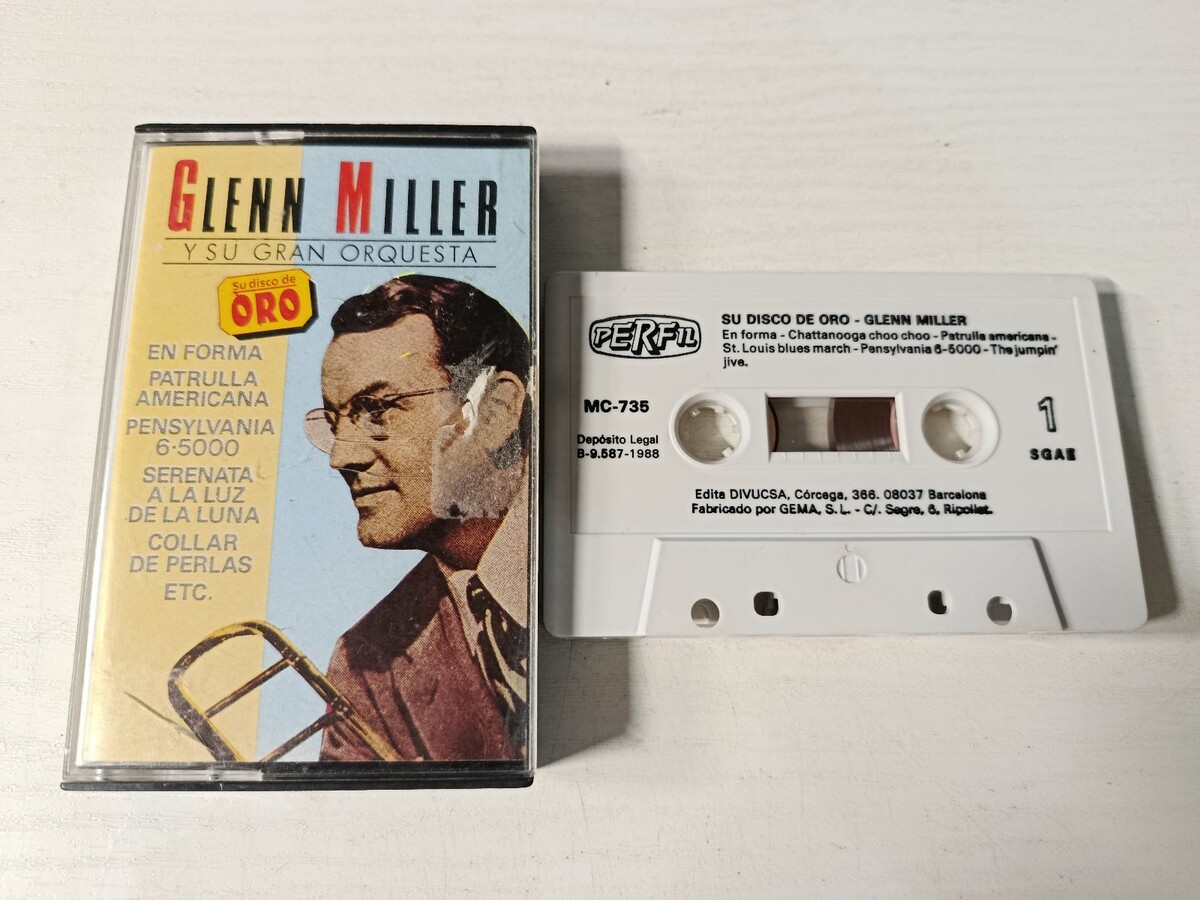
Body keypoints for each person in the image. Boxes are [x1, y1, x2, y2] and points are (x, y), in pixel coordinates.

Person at [304, 274, 531, 762]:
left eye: (378, 411)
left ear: (494, 412)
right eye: (334, 423)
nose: (341, 456)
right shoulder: (365, 663)